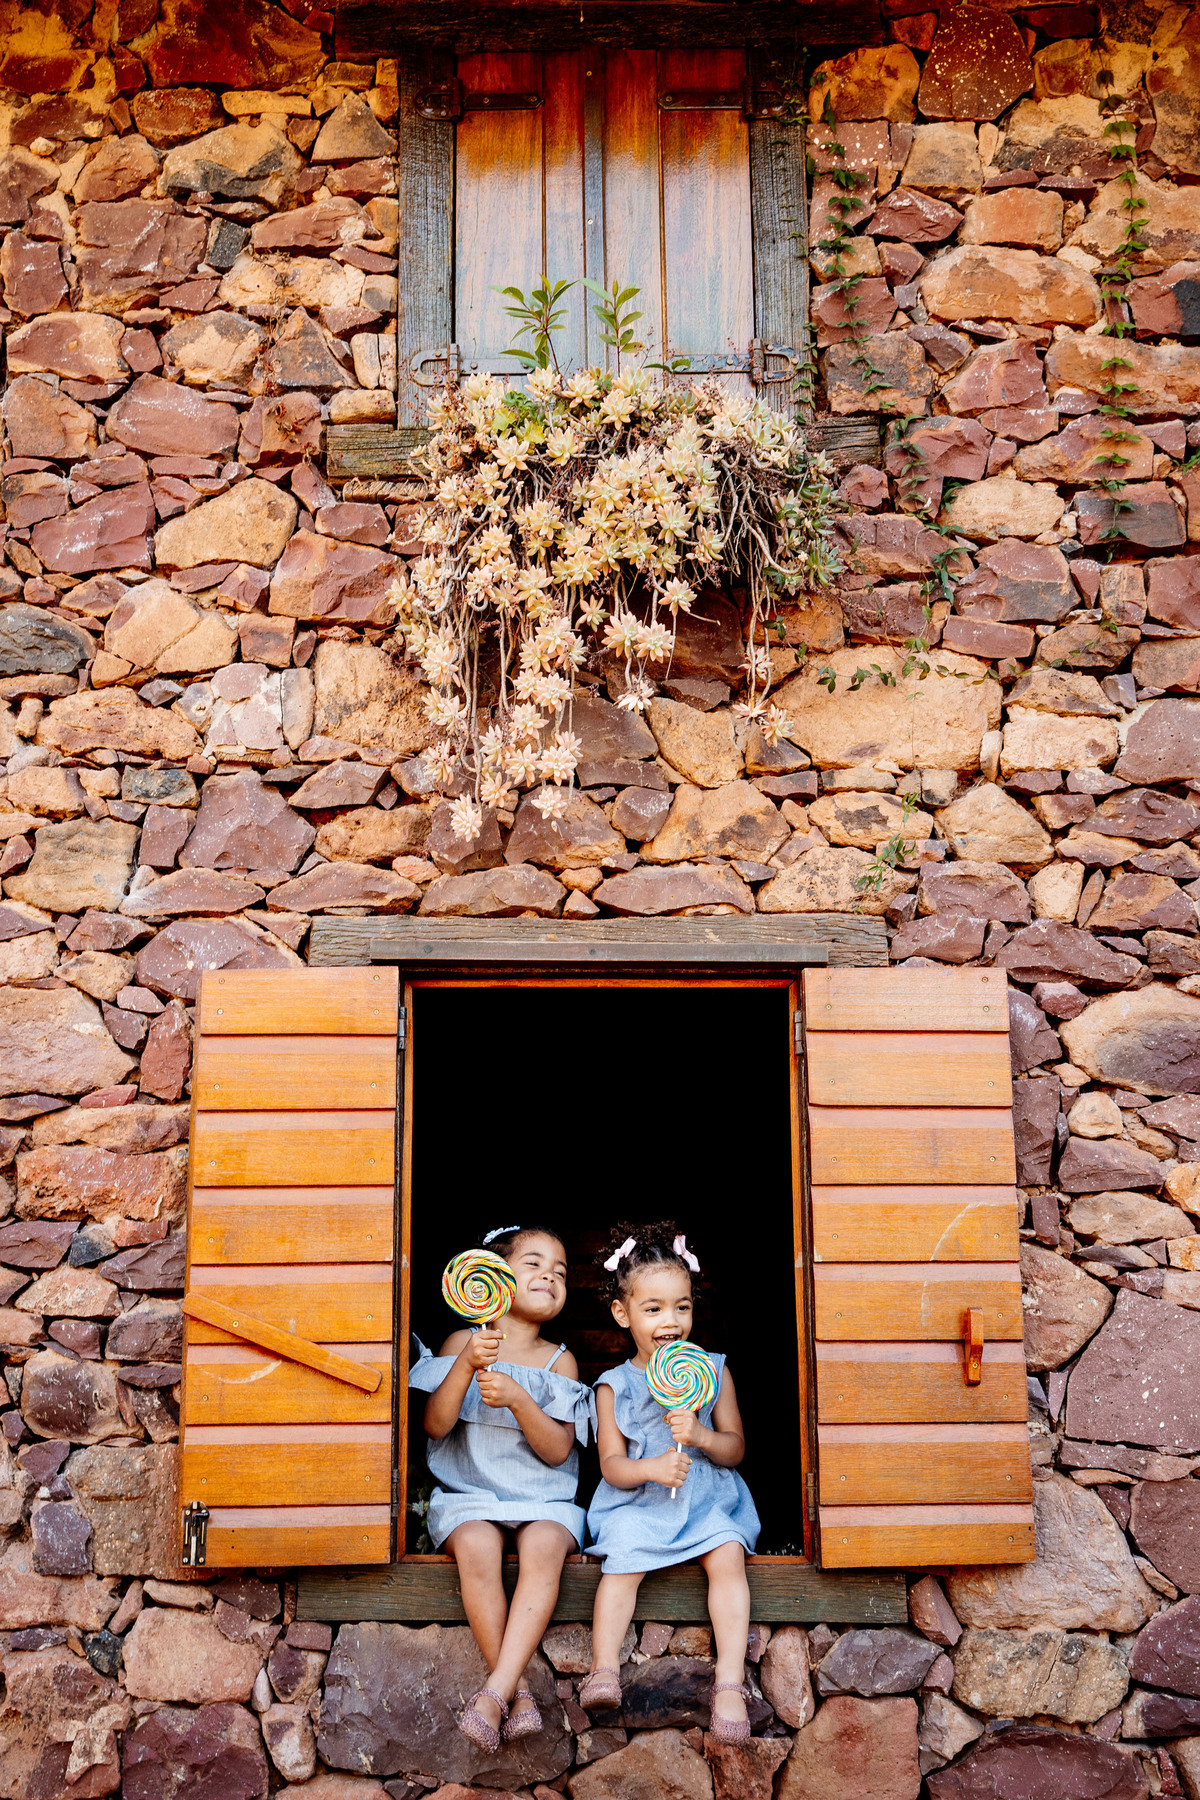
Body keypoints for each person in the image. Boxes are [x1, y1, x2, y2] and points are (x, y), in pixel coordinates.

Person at [409, 1225, 594, 1753]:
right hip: (471, 1494)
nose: (549, 1277)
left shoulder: (561, 1362)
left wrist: (518, 1398)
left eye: (559, 1272)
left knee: (543, 1549)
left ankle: (494, 1695)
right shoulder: (458, 1342)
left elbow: (559, 1452)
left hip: (544, 1498)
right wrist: (467, 1363)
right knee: (476, 1546)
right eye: (534, 1264)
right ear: (491, 1274)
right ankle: (517, 1696)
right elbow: (436, 1426)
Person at [580, 1222, 759, 1746]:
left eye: (682, 1307)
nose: (670, 1321)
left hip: (705, 1498)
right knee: (622, 1562)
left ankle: (730, 1682)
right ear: (623, 1313)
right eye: (653, 1308)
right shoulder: (613, 1386)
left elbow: (736, 1448)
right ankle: (603, 1669)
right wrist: (652, 1468)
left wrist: (701, 1434)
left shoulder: (714, 1371)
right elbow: (612, 1466)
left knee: (727, 1554)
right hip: (640, 1497)